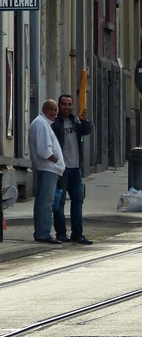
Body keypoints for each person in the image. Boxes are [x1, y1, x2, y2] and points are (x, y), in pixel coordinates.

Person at [52, 93, 93, 245]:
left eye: (69, 105)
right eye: (64, 104)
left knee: (78, 200)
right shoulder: (55, 124)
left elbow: (87, 130)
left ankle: (77, 234)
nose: (67, 108)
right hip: (62, 169)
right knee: (59, 202)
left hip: (76, 169)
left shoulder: (75, 120)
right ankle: (61, 233)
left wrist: (84, 120)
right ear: (59, 105)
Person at [28, 99, 65, 245]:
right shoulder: (41, 124)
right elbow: (44, 151)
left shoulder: (43, 124)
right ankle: (43, 233)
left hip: (48, 169)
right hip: (47, 168)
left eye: (56, 110)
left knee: (45, 202)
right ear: (44, 109)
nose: (54, 113)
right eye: (51, 109)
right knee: (46, 203)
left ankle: (42, 232)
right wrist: (56, 161)